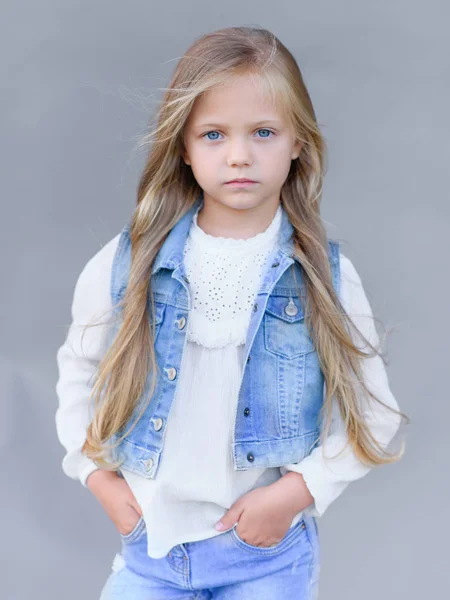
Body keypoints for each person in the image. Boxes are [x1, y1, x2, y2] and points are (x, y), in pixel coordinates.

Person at [55, 26, 408, 599]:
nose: (239, 154)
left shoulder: (323, 276)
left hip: (264, 558)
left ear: (298, 142)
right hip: (150, 552)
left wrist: (294, 495)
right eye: (214, 134)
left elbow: (375, 413)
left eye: (263, 132)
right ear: (185, 149)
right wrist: (93, 473)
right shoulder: (126, 264)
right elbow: (79, 371)